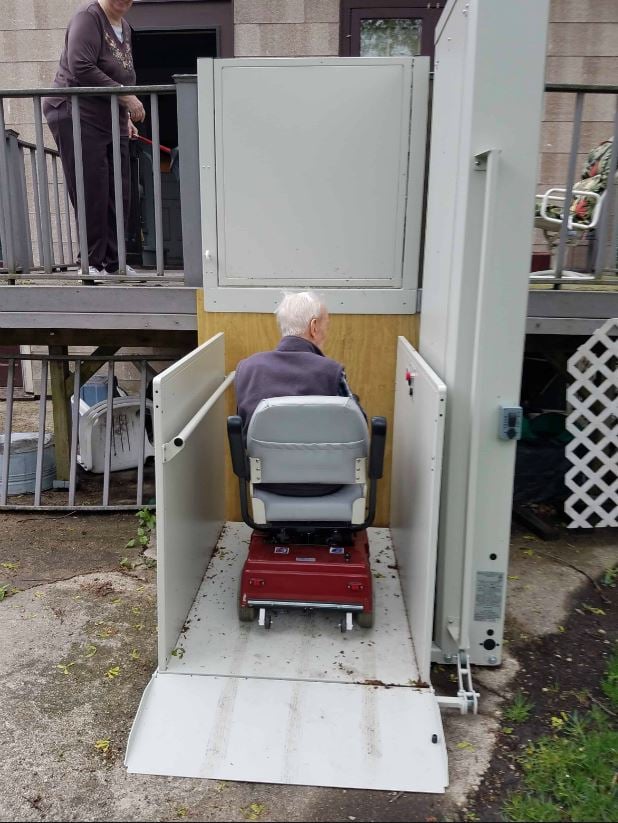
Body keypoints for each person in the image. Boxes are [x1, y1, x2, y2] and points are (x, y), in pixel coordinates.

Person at [43, 0, 145, 278]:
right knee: (93, 188)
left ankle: (114, 260)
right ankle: (91, 263)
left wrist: (123, 114)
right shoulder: (88, 18)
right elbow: (81, 66)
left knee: (119, 189)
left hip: (108, 115)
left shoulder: (124, 26)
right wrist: (125, 95)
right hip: (75, 112)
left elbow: (123, 73)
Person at [235, 290, 361, 432]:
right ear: (314, 327)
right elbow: (358, 428)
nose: (327, 332)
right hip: (319, 454)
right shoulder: (332, 372)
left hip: (260, 455)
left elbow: (242, 427)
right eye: (327, 325)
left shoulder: (247, 368)